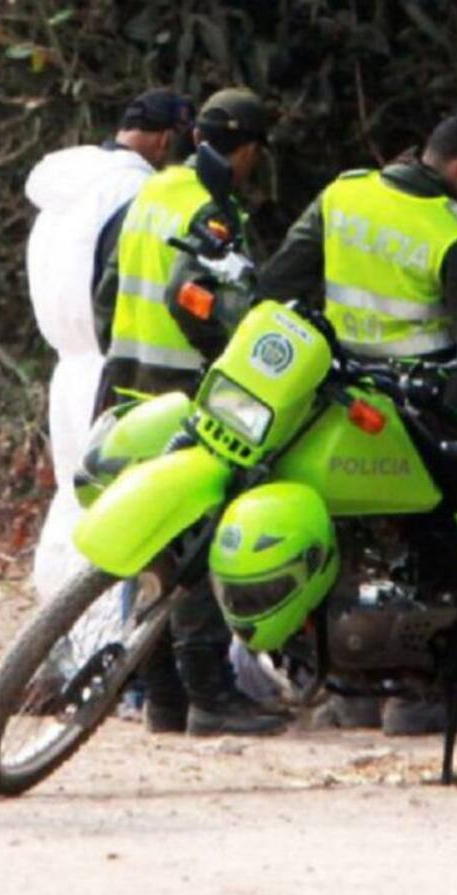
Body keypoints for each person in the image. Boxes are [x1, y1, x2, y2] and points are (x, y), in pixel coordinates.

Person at [255, 113, 457, 735]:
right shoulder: (452, 231)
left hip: (333, 394)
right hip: (414, 402)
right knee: (434, 539)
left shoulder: (342, 195)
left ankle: (346, 691)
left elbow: (278, 282)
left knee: (337, 535)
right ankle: (416, 696)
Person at [95, 87, 289, 738]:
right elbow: (194, 298)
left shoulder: (153, 192)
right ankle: (209, 694)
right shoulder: (211, 207)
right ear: (248, 150)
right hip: (186, 395)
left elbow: (106, 291)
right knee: (196, 548)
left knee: (153, 546)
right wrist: (231, 364)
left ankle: (163, 698)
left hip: (129, 389)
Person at [26, 88, 194, 604]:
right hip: (109, 366)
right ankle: (110, 653)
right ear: (166, 141)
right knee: (123, 516)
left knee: (77, 507)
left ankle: (61, 651)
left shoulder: (65, 190)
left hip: (67, 365)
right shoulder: (133, 195)